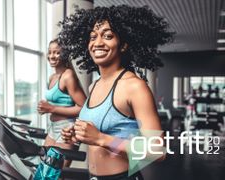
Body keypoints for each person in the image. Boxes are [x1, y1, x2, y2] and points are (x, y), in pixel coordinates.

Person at [59, 5, 174, 180]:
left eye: (108, 36)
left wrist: (100, 138)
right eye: (92, 37)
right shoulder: (94, 85)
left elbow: (157, 151)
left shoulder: (134, 87)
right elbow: (99, 131)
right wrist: (77, 134)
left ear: (124, 45)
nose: (97, 43)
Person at [37, 39, 86, 167]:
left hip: (66, 129)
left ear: (64, 55)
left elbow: (83, 107)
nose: (52, 56)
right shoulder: (52, 77)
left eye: (57, 53)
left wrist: (51, 108)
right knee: (44, 167)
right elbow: (56, 104)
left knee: (57, 173)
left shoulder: (68, 76)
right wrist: (45, 109)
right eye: (50, 52)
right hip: (52, 127)